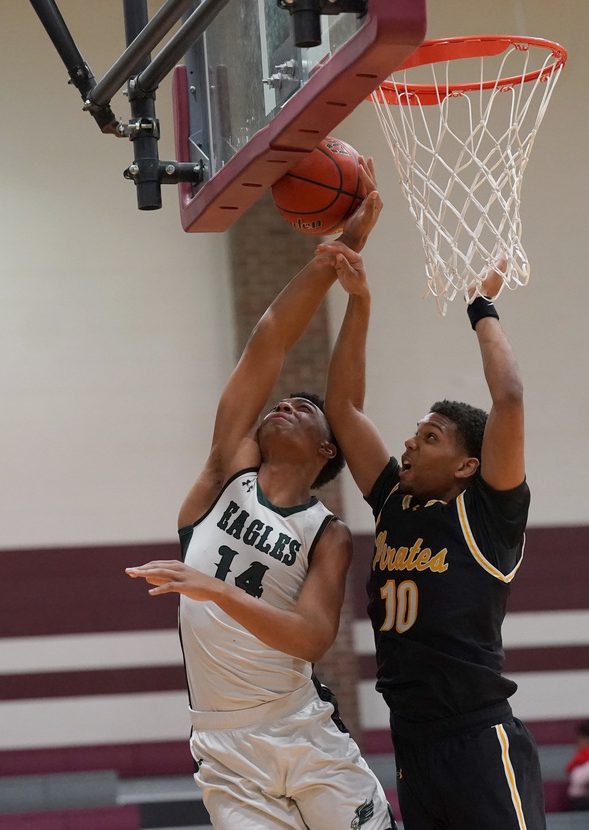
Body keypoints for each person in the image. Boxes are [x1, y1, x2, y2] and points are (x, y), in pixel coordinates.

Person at [125, 164, 395, 830]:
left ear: (328, 450)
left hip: (301, 729)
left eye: (305, 408)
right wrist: (337, 254)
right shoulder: (227, 476)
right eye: (284, 400)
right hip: (222, 744)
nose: (286, 403)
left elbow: (310, 637)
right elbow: (269, 341)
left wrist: (215, 589)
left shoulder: (326, 532)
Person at [321, 240, 542, 829]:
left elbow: (510, 399)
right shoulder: (394, 500)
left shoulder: (489, 516)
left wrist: (481, 305)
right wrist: (360, 301)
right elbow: (341, 408)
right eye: (416, 431)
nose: (411, 442)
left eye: (432, 437)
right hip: (411, 741)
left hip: (476, 737)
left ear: (468, 465)